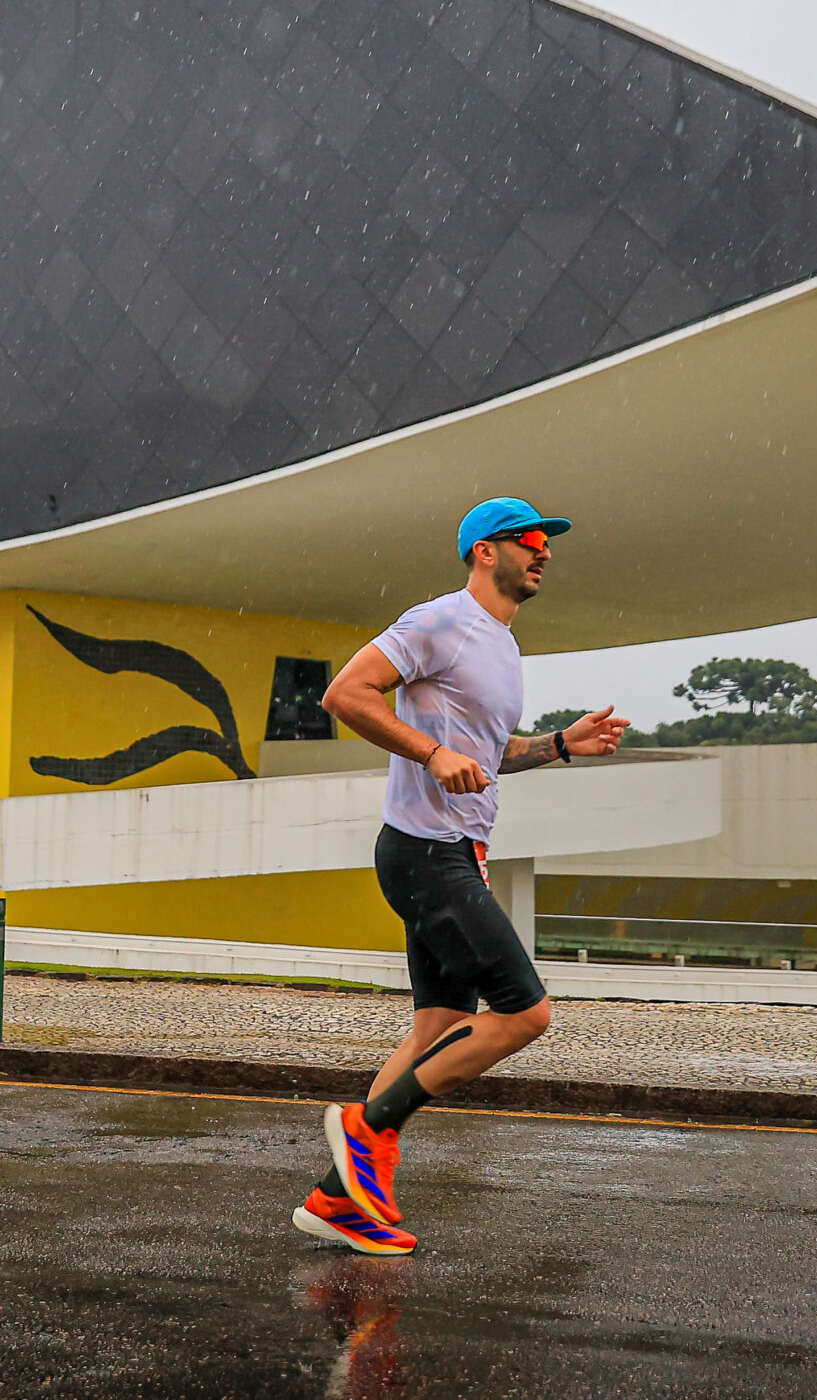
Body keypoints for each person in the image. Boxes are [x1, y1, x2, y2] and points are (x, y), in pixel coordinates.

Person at [291, 497, 630, 1255]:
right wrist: (428, 753)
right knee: (525, 1012)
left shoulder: (502, 645)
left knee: (438, 1031)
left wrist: (559, 744)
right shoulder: (441, 619)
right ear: (485, 550)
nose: (545, 553)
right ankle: (366, 1129)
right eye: (533, 540)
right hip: (426, 851)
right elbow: (345, 693)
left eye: (548, 544)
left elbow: (485, 750)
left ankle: (338, 1199)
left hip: (451, 852)